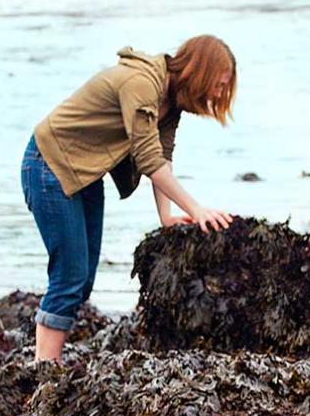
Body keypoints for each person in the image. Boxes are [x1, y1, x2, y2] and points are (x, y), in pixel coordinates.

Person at [22, 36, 236, 362]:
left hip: (85, 172)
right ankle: (43, 369)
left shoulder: (170, 99)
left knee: (82, 280)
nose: (219, 95)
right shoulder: (142, 84)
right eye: (219, 86)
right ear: (200, 71)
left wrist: (167, 217)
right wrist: (196, 209)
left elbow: (162, 155)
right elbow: (148, 160)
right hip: (48, 164)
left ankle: (47, 361)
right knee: (69, 276)